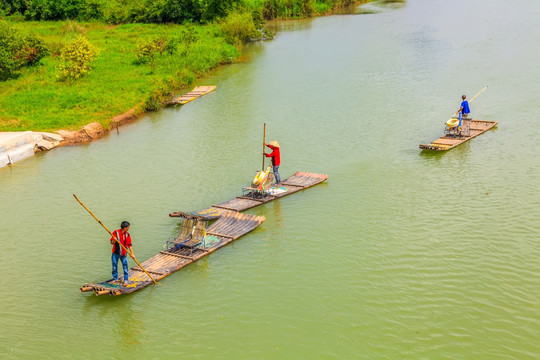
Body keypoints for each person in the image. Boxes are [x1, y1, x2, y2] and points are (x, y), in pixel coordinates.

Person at [110, 221, 135, 285]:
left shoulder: (127, 234)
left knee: (125, 267)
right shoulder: (116, 233)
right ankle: (115, 279)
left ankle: (126, 280)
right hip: (115, 253)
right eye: (128, 227)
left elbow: (129, 244)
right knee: (114, 267)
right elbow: (112, 243)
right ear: (125, 228)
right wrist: (114, 240)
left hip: (123, 254)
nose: (129, 228)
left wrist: (132, 253)